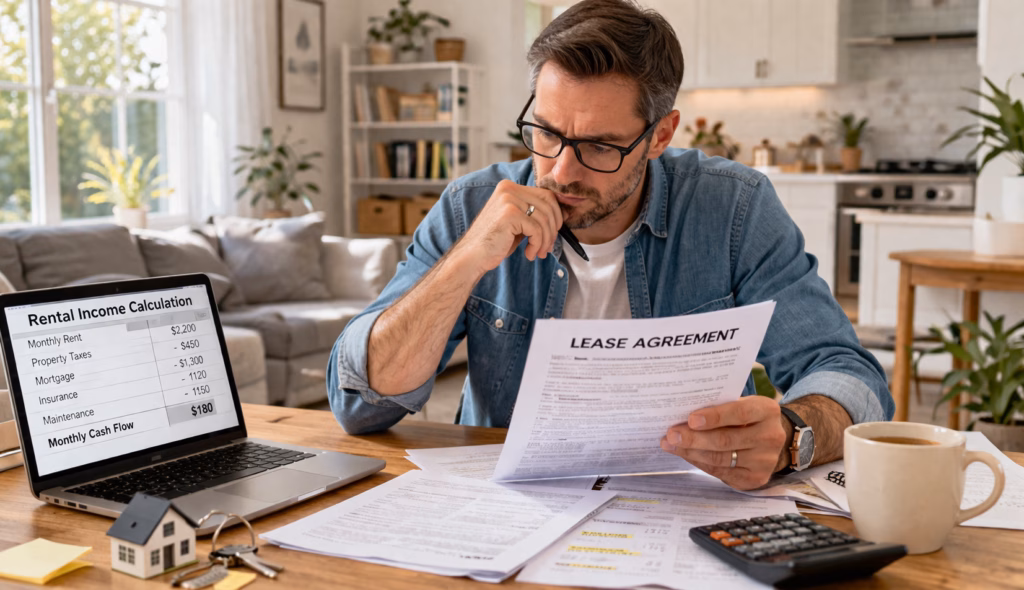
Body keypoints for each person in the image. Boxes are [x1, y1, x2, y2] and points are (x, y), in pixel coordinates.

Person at [328, 0, 892, 491]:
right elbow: (360, 404)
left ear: (661, 136)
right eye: (546, 132)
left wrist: (795, 435)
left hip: (683, 502)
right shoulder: (472, 205)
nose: (559, 170)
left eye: (599, 145)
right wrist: (466, 260)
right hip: (507, 508)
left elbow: (849, 373)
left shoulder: (733, 210)